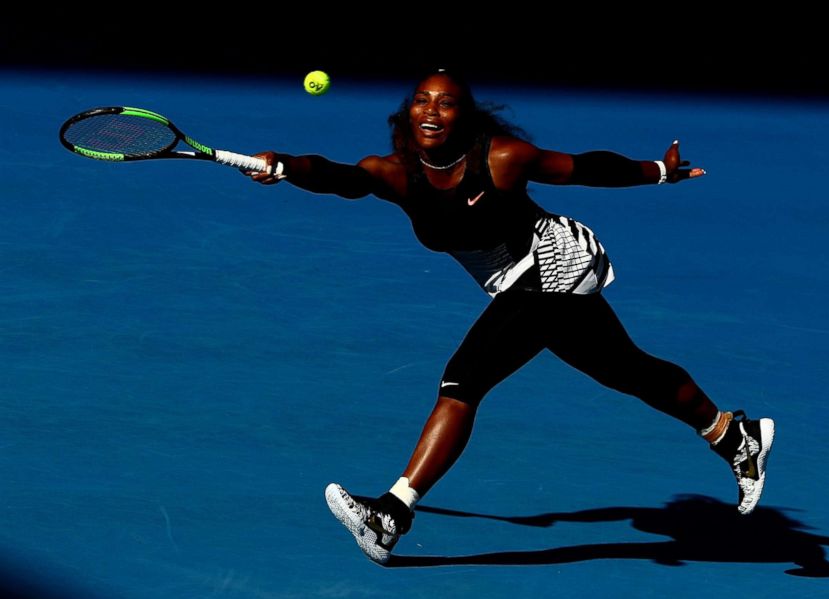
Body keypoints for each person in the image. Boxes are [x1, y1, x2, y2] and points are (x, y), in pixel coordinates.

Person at [248, 70, 774, 565]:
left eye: (446, 103)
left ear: (466, 117)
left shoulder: (502, 157)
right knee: (627, 370)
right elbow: (338, 177)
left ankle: (392, 513)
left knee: (463, 380)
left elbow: (582, 168)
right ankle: (732, 435)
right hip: (516, 283)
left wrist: (657, 171)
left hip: (557, 264)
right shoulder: (393, 174)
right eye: (422, 101)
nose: (431, 111)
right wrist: (287, 166)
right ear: (408, 113)